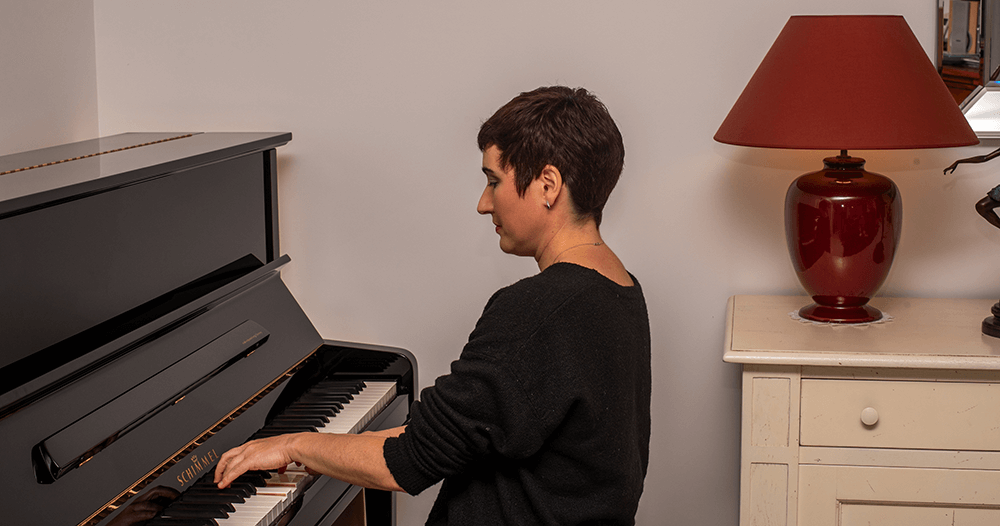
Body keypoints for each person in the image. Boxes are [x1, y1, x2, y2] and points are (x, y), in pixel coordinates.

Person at [214, 85, 651, 525]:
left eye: (493, 180)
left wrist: (294, 445)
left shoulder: (536, 310)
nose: (483, 204)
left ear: (548, 185)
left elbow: (406, 461)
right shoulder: (621, 288)